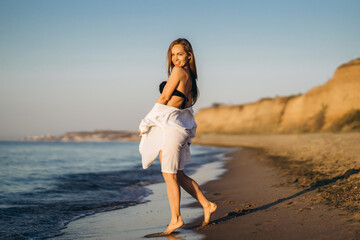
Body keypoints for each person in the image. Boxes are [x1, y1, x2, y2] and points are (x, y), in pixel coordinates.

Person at [138, 38, 217, 235]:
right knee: (178, 175)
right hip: (178, 129)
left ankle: (176, 219)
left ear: (189, 55)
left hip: (172, 131)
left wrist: (145, 121)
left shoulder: (178, 72)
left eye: (180, 54)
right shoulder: (190, 76)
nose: (175, 59)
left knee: (169, 175)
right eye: (172, 55)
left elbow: (164, 98)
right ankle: (207, 205)